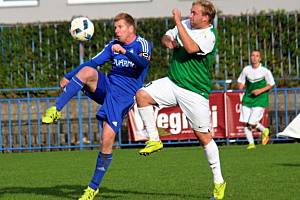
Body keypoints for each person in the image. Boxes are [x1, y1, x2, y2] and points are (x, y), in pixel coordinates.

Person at [42, 13, 152, 200]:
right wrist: (69, 75)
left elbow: (143, 63)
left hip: (122, 98)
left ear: (131, 28)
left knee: (106, 141)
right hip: (108, 87)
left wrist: (125, 52)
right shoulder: (112, 45)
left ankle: (93, 187)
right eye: (115, 27)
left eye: (120, 27)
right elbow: (93, 62)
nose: (116, 30)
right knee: (87, 71)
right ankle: (55, 109)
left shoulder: (142, 44)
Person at [135, 1, 226, 199]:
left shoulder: (209, 35)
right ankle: (154, 139)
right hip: (173, 82)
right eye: (190, 12)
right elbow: (167, 36)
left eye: (195, 13)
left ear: (206, 18)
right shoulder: (185, 24)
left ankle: (219, 181)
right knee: (142, 95)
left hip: (195, 91)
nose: (190, 15)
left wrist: (178, 22)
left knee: (204, 137)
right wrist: (168, 39)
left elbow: (192, 48)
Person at [237, 50, 275, 150]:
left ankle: (264, 130)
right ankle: (251, 144)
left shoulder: (265, 71)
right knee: (246, 122)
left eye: (257, 56)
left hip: (260, 99)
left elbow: (271, 84)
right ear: (250, 57)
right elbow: (240, 81)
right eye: (252, 55)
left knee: (252, 123)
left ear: (260, 58)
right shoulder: (246, 69)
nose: (254, 57)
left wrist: (260, 90)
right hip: (248, 98)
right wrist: (240, 85)